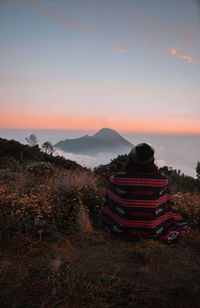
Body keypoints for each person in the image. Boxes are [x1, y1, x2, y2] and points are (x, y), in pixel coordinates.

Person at [102, 143, 191, 244]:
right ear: (151, 161)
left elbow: (109, 202)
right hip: (153, 228)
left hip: (122, 229)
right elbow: (167, 207)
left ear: (132, 159)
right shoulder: (161, 181)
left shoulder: (117, 179)